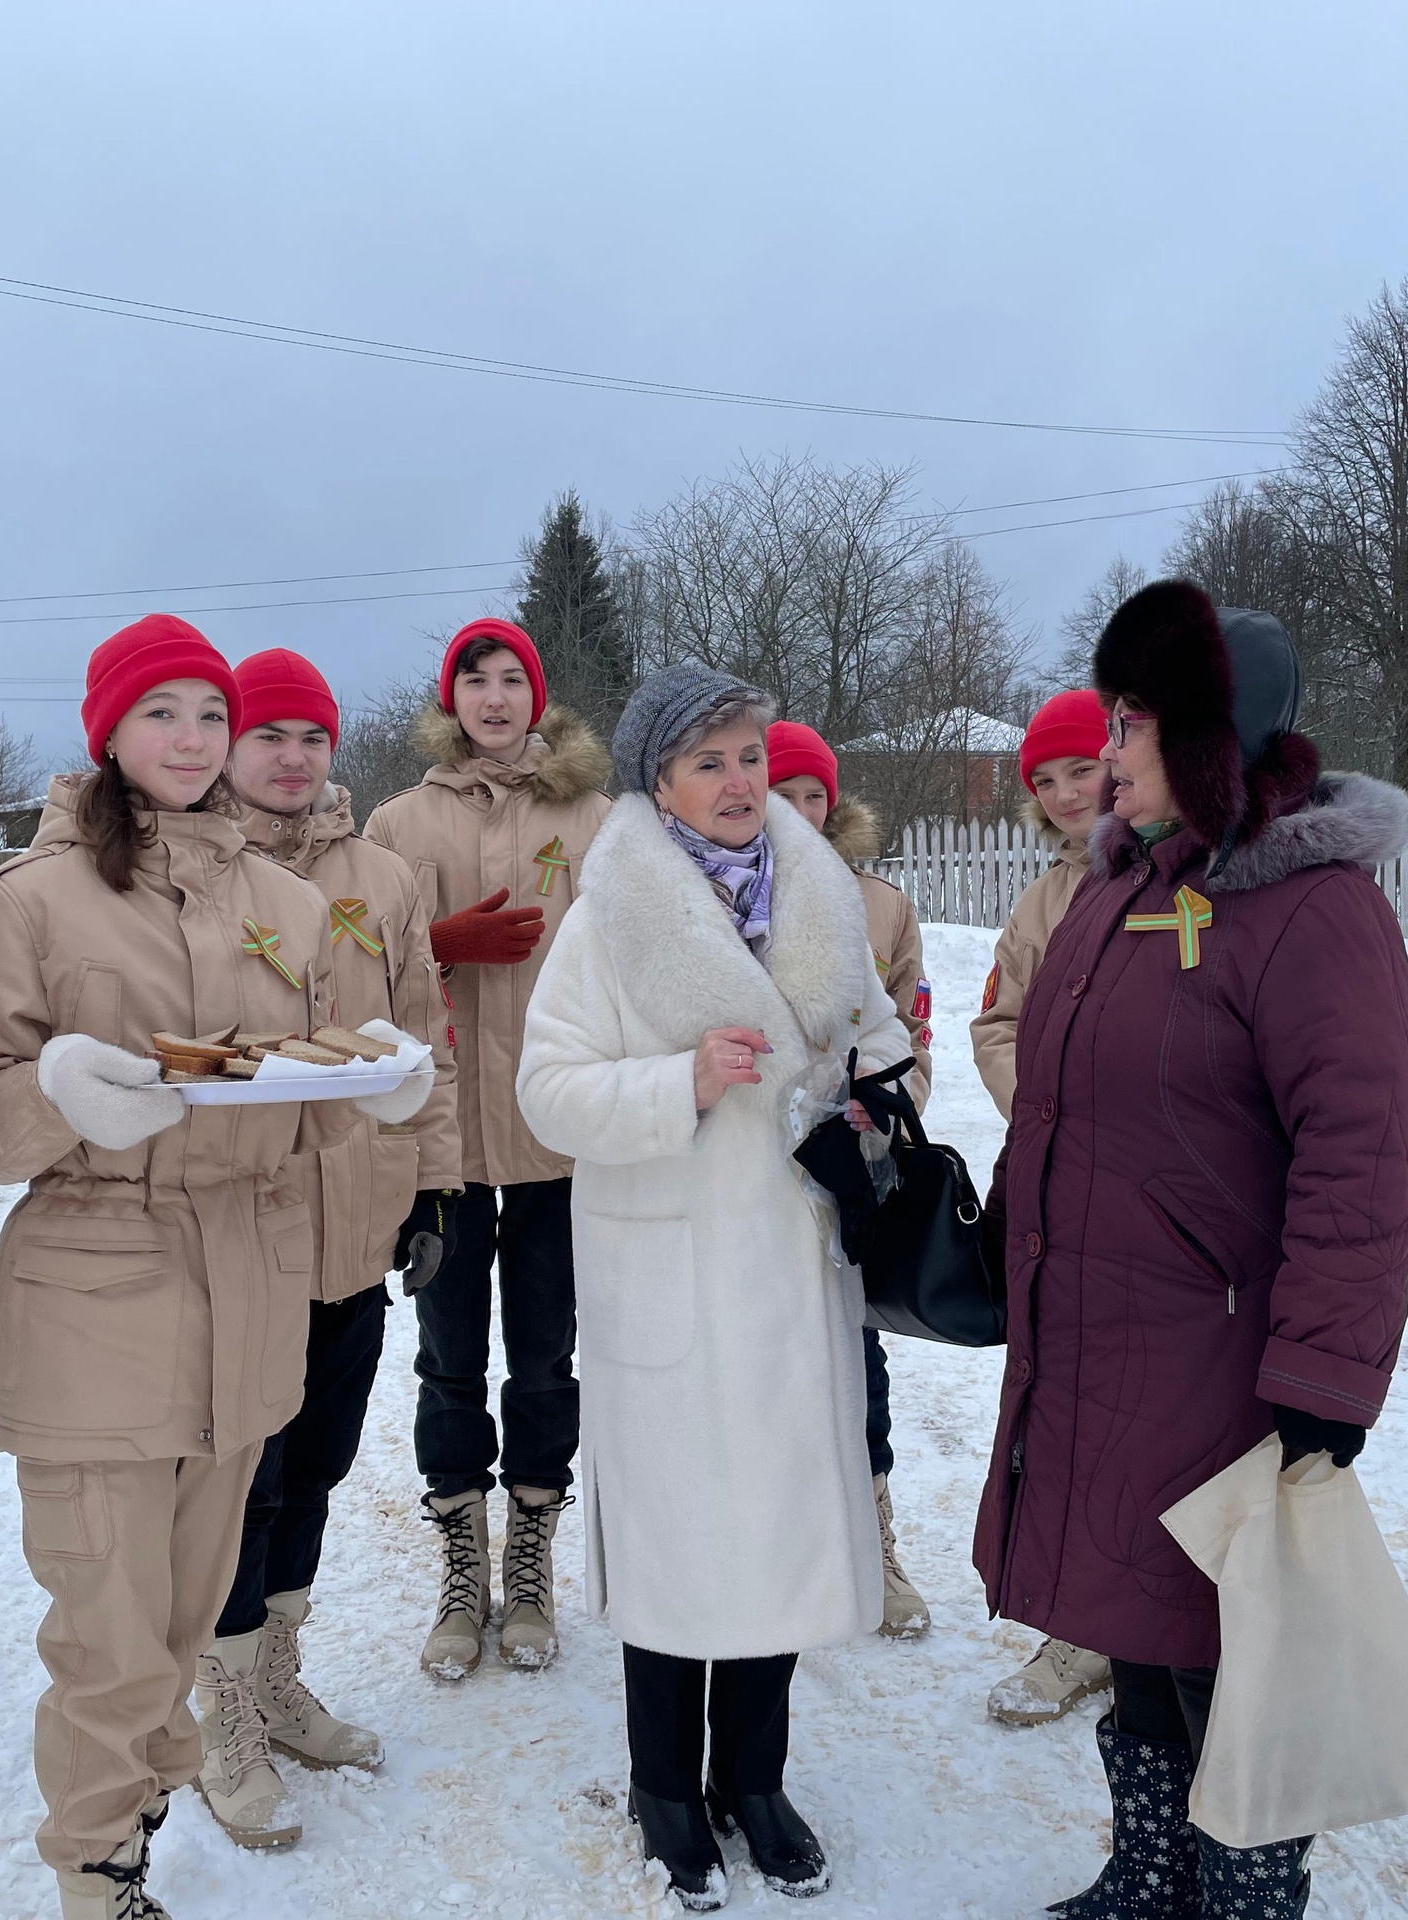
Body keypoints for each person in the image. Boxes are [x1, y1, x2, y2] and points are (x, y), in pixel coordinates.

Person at [0, 617, 434, 1909]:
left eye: (209, 713)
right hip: (95, 1307)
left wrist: (375, 1091)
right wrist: (57, 1100)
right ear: (109, 730)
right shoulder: (32, 899)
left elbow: (308, 1087)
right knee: (109, 1644)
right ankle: (96, 1879)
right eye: (162, 712)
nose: (194, 738)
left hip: (250, 1308)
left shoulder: (288, 905)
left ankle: (135, 1837)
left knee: (177, 1634)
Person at [972, 583, 1408, 1920]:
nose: (1107, 757)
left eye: (1136, 724)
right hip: (1108, 1343)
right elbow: (1058, 1104)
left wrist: (1326, 1379)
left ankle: (1241, 1895)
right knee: (1144, 1633)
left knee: (1236, 1660)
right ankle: (1151, 1872)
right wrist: (1000, 1253)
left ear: (1219, 738)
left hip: (1230, 1366)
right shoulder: (1125, 890)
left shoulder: (1315, 912)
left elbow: (1364, 1156)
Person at [518, 666, 910, 1910]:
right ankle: (666, 1792)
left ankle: (755, 1781)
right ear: (658, 784)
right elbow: (548, 1092)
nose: (740, 783)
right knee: (683, 1544)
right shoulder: (610, 918)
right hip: (672, 1269)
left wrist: (875, 1093)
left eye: (750, 756)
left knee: (777, 1536)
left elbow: (881, 1035)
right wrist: (673, 1082)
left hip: (793, 1269)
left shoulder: (821, 897)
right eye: (709, 763)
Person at [195, 647, 459, 1804]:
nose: (292, 759)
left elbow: (422, 1038)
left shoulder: (380, 875)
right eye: (270, 736)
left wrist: (434, 1184)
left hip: (352, 1222)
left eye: (312, 738)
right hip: (239, 1228)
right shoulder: (192, 871)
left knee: (315, 1469)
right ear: (230, 746)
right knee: (235, 1480)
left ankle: (281, 1676)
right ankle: (226, 1711)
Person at [362, 617, 610, 1678]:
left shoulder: (595, 817)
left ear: (538, 696)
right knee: (450, 1361)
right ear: (449, 699)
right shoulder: (398, 821)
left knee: (545, 1359)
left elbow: (634, 953)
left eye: (513, 679)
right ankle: (463, 1565)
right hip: (445, 1145)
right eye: (476, 679)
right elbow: (350, 955)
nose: (496, 697)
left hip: (557, 1139)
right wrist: (435, 944)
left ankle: (532, 1560)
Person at [963, 689, 1122, 1730]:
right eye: (1045, 781)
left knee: (1150, 1409)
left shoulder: (1187, 878)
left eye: (1080, 769)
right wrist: (1052, 1121)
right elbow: (995, 1024)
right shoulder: (1041, 902)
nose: (1066, 795)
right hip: (1065, 1191)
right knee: (1064, 1403)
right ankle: (1085, 1625)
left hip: (1161, 1200)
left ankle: (1154, 1623)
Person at [764, 719, 934, 1640]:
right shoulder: (720, 896)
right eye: (779, 794)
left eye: (811, 796)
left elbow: (911, 1030)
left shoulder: (880, 905)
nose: (795, 812)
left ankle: (874, 1534)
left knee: (857, 1352)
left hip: (850, 1167)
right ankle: (779, 1536)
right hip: (755, 1171)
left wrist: (889, 1101)